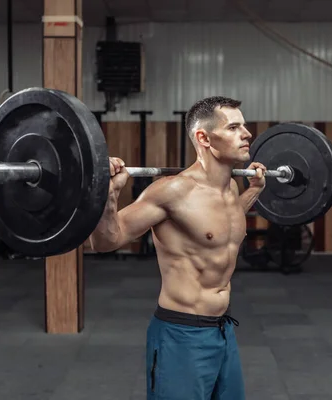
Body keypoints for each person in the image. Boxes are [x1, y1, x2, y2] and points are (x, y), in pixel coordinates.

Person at [89, 96, 267, 400]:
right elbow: (105, 242)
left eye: (245, 126)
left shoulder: (232, 190)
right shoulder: (172, 191)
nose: (247, 134)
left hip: (222, 332)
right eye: (234, 127)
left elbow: (219, 227)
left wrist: (254, 192)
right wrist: (108, 197)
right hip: (181, 335)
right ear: (204, 138)